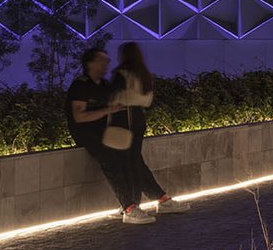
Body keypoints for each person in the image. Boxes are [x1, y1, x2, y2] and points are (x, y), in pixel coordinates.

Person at [66, 47, 152, 224]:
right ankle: (129, 208)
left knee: (128, 160)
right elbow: (79, 117)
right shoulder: (81, 85)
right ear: (90, 63)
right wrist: (107, 111)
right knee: (111, 160)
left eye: (107, 60)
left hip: (105, 131)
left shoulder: (105, 85)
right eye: (102, 60)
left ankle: (132, 204)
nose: (107, 64)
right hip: (86, 133)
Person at [110, 42, 189, 215]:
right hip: (139, 117)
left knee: (129, 163)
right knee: (134, 160)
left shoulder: (121, 74)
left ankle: (138, 203)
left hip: (123, 118)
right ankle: (144, 201)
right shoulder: (144, 75)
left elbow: (112, 97)